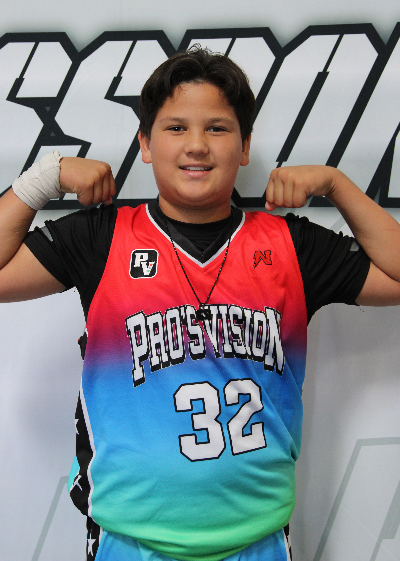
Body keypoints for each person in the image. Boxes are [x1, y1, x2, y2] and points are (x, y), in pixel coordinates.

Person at [1, 48, 400, 561]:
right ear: (146, 144)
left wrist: (336, 185)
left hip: (256, 541)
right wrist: (45, 178)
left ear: (245, 145)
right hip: (131, 542)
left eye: (217, 128)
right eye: (175, 128)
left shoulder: (290, 245)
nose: (196, 145)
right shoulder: (102, 237)